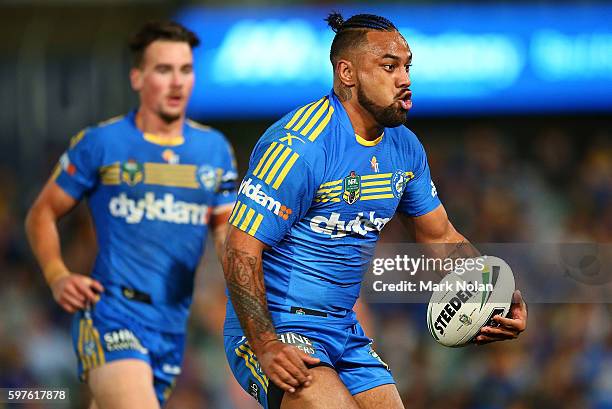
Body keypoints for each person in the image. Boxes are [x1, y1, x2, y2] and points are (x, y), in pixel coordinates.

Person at [221, 12, 528, 409]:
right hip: (276, 327)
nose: (405, 79)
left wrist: (496, 293)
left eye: (407, 66)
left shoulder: (405, 148)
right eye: (389, 66)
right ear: (347, 73)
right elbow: (240, 249)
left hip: (342, 329)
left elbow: (439, 237)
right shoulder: (299, 146)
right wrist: (264, 344)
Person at [25, 21, 237, 409]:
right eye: (163, 70)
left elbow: (226, 237)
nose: (177, 82)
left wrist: (246, 284)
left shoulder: (214, 150)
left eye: (185, 70)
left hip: (172, 324)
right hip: (112, 314)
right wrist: (57, 276)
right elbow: (41, 214)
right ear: (137, 78)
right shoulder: (102, 143)